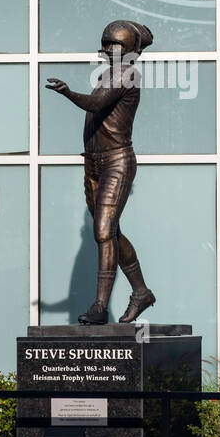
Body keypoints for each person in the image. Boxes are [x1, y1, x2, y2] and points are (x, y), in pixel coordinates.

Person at [46, 21, 156, 325]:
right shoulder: (110, 73)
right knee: (110, 232)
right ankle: (141, 292)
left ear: (128, 50)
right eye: (105, 43)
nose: (106, 48)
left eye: (113, 45)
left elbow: (95, 104)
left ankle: (99, 307)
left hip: (116, 161)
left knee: (103, 231)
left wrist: (67, 93)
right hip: (94, 162)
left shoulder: (127, 73)